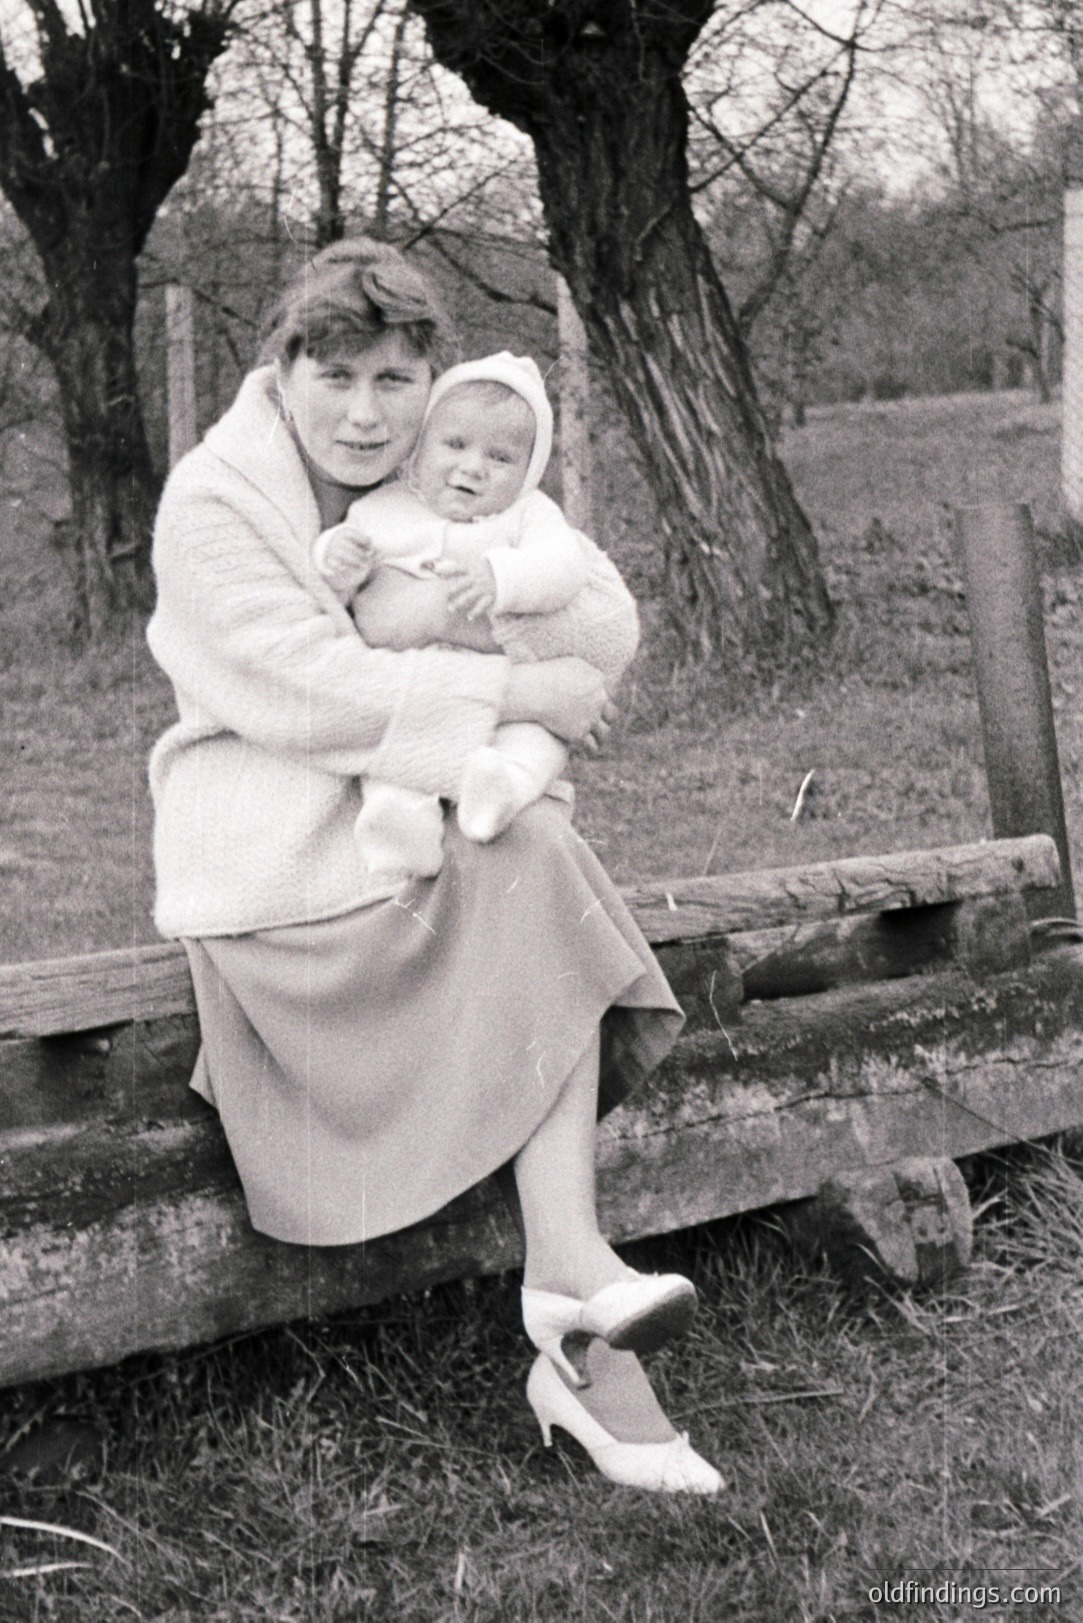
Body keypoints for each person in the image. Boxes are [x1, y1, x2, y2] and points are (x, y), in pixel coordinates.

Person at [146, 237, 723, 1496]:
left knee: (533, 849)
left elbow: (598, 604)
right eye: (337, 375)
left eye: (396, 380)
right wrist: (530, 683)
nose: (366, 413)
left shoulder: (434, 455)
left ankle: (570, 1284)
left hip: (406, 813)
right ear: (282, 364)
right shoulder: (214, 503)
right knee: (531, 851)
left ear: (430, 385)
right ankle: (573, 1305)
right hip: (274, 847)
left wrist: (545, 634)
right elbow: (315, 688)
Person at [313, 349, 634, 878]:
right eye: (455, 444)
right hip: (426, 686)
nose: (472, 467)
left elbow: (565, 566)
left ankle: (503, 789)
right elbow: (339, 570)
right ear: (419, 450)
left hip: (514, 690)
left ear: (528, 472)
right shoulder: (385, 509)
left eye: (501, 457)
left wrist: (502, 578)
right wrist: (335, 558)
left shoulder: (527, 516)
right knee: (401, 752)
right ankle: (399, 826)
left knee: (535, 739)